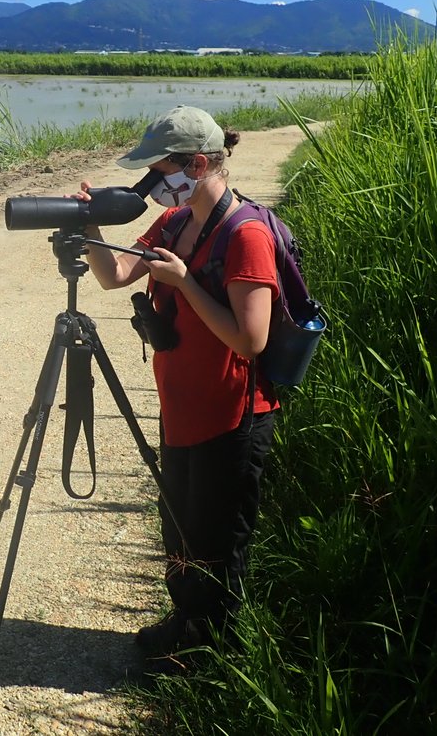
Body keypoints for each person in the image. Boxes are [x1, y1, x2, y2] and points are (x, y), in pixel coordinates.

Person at [71, 105, 280, 667]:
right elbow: (114, 277)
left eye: (160, 172)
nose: (154, 186)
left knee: (217, 540)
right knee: (180, 526)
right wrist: (90, 228)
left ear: (200, 164)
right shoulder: (173, 224)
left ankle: (216, 654)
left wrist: (185, 284)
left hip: (231, 415)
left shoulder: (246, 235)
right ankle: (186, 623)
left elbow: (250, 340)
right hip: (183, 407)